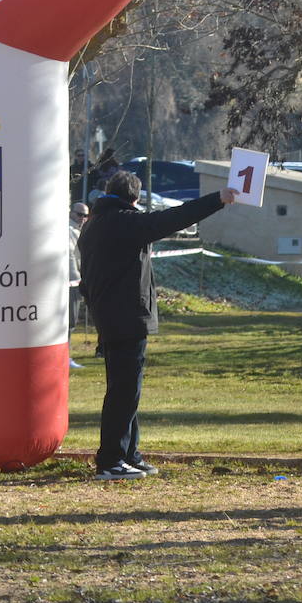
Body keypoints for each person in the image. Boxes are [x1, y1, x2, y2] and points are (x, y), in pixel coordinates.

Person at [79, 170, 238, 481]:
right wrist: (217, 200)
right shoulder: (124, 222)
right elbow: (170, 219)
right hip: (127, 318)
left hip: (108, 317)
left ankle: (128, 453)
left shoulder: (93, 225)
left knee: (126, 390)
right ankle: (111, 460)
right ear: (134, 199)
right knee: (124, 393)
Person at [68, 202, 89, 369]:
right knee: (70, 321)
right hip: (71, 282)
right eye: (79, 214)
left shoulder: (79, 231)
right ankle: (65, 358)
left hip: (77, 280)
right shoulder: (69, 231)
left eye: (85, 215)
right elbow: (70, 258)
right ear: (71, 213)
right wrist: (77, 279)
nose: (82, 218)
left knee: (72, 321)